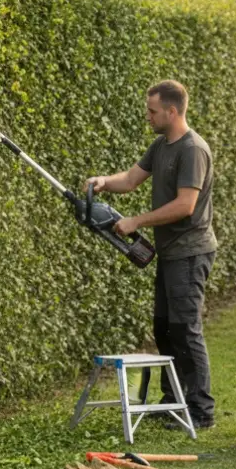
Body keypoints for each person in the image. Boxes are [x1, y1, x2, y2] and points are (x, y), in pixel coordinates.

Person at [85, 80, 218, 429]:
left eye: (152, 111)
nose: (148, 116)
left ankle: (200, 411)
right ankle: (174, 400)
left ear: (172, 112)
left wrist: (135, 221)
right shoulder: (161, 146)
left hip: (191, 253)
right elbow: (130, 180)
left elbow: (186, 206)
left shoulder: (193, 150)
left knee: (186, 330)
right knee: (164, 328)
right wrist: (102, 181)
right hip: (170, 253)